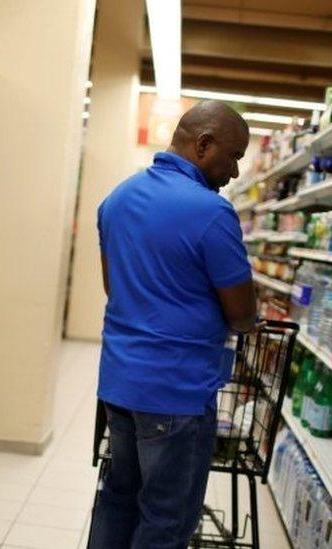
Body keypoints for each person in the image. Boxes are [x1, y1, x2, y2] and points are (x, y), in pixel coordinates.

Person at [89, 101, 256, 549]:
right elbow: (242, 314)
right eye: (234, 156)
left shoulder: (116, 199)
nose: (235, 171)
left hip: (119, 385)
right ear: (203, 144)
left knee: (117, 498)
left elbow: (114, 288)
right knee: (167, 517)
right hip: (176, 393)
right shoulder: (212, 213)